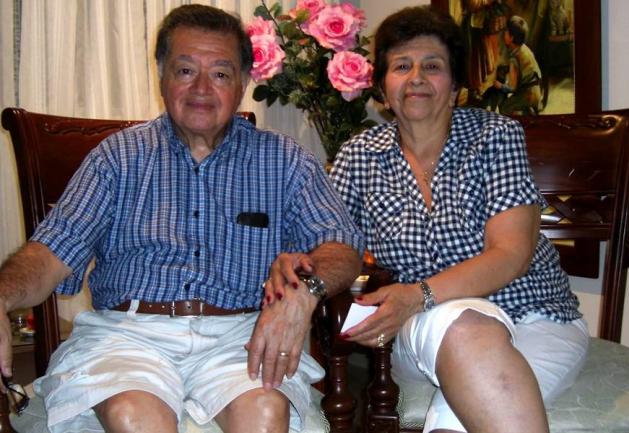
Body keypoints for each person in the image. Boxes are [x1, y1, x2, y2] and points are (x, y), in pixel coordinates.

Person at [0, 5, 363, 433]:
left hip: (240, 336)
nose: (201, 89)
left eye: (221, 74)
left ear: (244, 82)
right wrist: (1, 296)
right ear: (161, 76)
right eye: (186, 70)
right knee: (136, 417)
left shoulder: (285, 160)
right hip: (128, 335)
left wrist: (307, 290)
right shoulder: (117, 157)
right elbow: (51, 251)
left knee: (265, 414)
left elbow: (342, 247)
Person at [328, 6, 588, 433]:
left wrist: (417, 294)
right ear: (383, 88)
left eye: (433, 66)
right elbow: (333, 244)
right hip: (427, 328)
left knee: (458, 421)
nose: (416, 77)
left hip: (537, 317)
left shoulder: (495, 137)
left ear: (454, 88)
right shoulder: (359, 156)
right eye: (402, 66)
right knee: (462, 323)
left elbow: (511, 253)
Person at [494, 15, 543, 115]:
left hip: (528, 95)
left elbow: (512, 88)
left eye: (506, 32)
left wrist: (499, 86)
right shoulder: (524, 48)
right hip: (537, 91)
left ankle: (524, 112)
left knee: (505, 107)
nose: (504, 34)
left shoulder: (514, 58)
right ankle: (528, 111)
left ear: (511, 38)